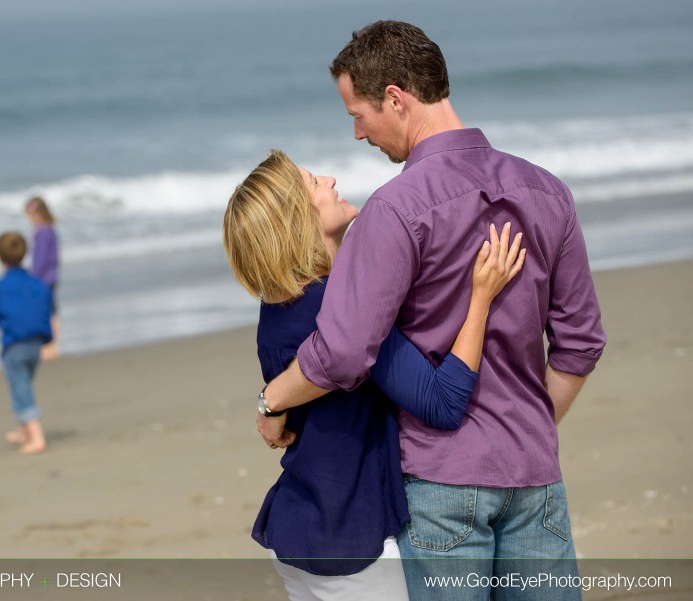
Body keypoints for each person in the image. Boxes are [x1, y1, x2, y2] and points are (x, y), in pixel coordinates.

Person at [257, 21, 607, 600]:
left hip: (442, 482)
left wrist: (272, 400)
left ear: (395, 98)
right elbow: (580, 346)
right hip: (536, 472)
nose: (357, 133)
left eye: (358, 114)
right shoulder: (548, 191)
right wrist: (528, 432)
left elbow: (343, 351)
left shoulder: (393, 210)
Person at [224, 149, 525, 601]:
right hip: (350, 547)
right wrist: (481, 298)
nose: (328, 179)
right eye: (312, 184)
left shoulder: (275, 310)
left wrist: (269, 402)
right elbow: (444, 403)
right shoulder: (345, 314)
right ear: (296, 221)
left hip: (299, 525)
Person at [0, 231, 53, 455]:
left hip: (14, 344)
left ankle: (36, 437)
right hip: (36, 343)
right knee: (22, 385)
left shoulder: (0, 287)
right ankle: (24, 430)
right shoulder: (38, 284)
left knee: (21, 388)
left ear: (0, 257)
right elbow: (46, 308)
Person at [25, 196, 60, 360]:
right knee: (52, 311)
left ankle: (49, 347)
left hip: (43, 279)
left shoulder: (42, 232)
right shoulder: (50, 229)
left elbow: (40, 259)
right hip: (51, 276)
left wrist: (33, 277)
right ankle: (51, 346)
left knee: (47, 313)